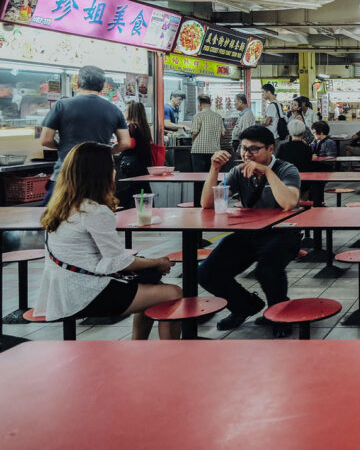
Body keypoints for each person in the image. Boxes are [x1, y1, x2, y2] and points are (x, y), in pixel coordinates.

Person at [35, 142, 182, 339]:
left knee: (152, 292)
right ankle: (170, 358)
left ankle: (140, 349)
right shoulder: (95, 210)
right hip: (86, 293)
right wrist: (158, 262)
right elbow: (118, 261)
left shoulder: (61, 206)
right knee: (172, 292)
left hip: (60, 292)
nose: (115, 170)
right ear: (100, 173)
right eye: (111, 165)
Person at [198, 126, 301, 338]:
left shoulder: (286, 169)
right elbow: (207, 204)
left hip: (283, 233)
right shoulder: (238, 171)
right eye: (243, 148)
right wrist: (214, 169)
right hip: (249, 233)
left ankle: (279, 312)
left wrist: (268, 172)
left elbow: (289, 203)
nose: (247, 154)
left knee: (267, 269)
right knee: (206, 272)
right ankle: (245, 306)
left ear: (270, 149)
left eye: (254, 149)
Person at [40, 64, 130, 205]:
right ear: (102, 86)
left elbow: (45, 140)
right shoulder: (114, 110)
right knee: (97, 214)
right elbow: (125, 142)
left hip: (66, 171)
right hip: (100, 173)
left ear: (78, 83)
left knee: (55, 213)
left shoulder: (61, 105)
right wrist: (106, 150)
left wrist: (62, 147)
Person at [190, 95, 224, 173]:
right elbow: (223, 133)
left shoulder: (198, 115)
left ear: (200, 104)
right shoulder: (218, 116)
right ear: (210, 104)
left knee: (199, 177)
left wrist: (192, 139)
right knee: (212, 175)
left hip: (198, 151)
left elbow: (195, 132)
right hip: (214, 151)